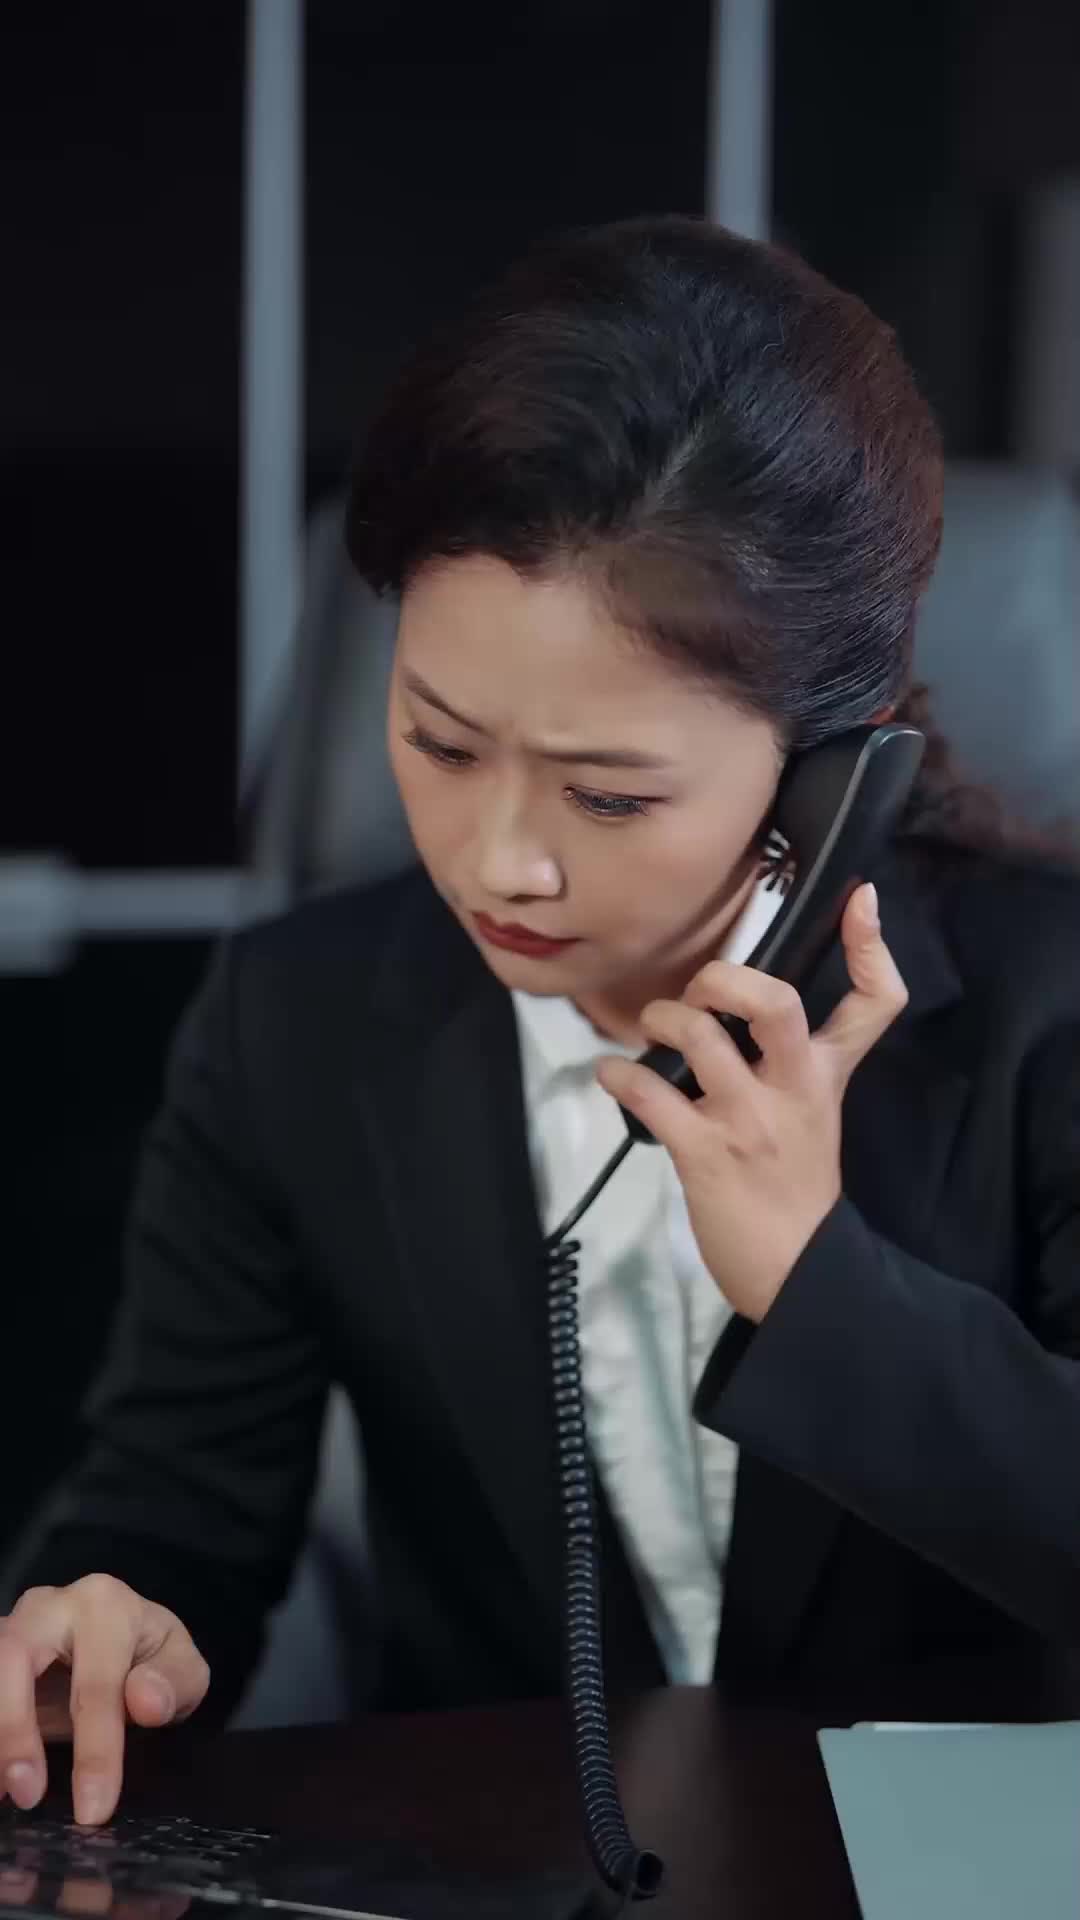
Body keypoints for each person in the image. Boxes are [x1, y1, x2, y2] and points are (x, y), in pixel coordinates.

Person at [2, 214, 1079, 1833]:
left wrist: (816, 1280)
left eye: (609, 793)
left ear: (832, 773)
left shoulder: (1046, 1014)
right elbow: (170, 1507)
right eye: (440, 745)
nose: (500, 861)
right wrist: (110, 1621)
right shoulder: (299, 1021)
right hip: (502, 1853)